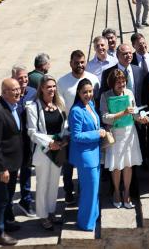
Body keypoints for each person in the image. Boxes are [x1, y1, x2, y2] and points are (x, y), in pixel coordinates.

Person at [100, 68, 148, 209]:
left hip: (129, 133)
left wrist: (141, 118)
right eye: (118, 83)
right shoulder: (105, 96)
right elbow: (104, 117)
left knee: (128, 164)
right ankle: (116, 191)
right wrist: (122, 113)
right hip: (115, 134)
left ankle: (126, 192)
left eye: (123, 82)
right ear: (112, 84)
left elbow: (134, 113)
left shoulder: (129, 93)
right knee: (116, 166)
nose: (122, 85)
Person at [25, 75, 68, 230]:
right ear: (41, 88)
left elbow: (65, 124)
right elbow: (32, 132)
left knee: (55, 182)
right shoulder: (33, 107)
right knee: (42, 183)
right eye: (48, 87)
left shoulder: (60, 103)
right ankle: (42, 215)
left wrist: (64, 139)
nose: (51, 89)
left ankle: (51, 212)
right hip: (44, 149)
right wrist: (50, 143)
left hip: (59, 147)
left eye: (53, 86)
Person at [0, 78, 25, 246]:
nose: (18, 92)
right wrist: (2, 168)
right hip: (3, 165)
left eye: (18, 89)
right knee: (1, 199)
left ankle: (7, 222)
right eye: (13, 90)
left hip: (13, 162)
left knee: (8, 197)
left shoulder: (15, 106)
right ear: (4, 92)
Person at [58, 50, 99, 203]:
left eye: (82, 62)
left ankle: (85, 192)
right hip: (69, 130)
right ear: (71, 63)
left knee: (86, 164)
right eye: (76, 62)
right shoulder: (62, 82)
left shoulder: (93, 79)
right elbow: (60, 108)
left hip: (89, 130)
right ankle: (68, 191)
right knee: (68, 165)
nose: (80, 65)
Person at [68, 79, 106, 231]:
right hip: (85, 157)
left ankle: (93, 217)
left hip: (94, 153)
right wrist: (97, 134)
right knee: (89, 191)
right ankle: (85, 223)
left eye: (90, 91)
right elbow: (76, 136)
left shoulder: (90, 105)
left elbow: (95, 123)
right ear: (79, 93)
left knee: (94, 189)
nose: (88, 95)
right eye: (85, 92)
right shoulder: (76, 111)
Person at [12, 66, 37, 219]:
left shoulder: (33, 93)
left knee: (26, 170)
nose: (23, 80)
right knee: (15, 170)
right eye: (20, 78)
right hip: (14, 140)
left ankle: (25, 200)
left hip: (28, 139)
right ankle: (8, 206)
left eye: (25, 77)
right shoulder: (10, 93)